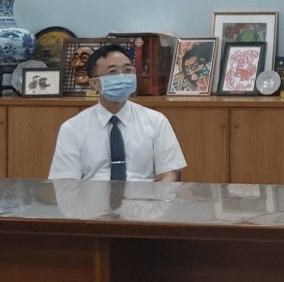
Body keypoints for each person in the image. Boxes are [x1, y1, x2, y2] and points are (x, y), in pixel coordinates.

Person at [49, 44, 187, 181]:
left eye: (128, 70)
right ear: (94, 83)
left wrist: (159, 196)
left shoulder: (156, 121)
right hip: (91, 195)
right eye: (113, 72)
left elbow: (168, 175)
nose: (122, 77)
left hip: (145, 195)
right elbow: (66, 182)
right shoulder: (72, 129)